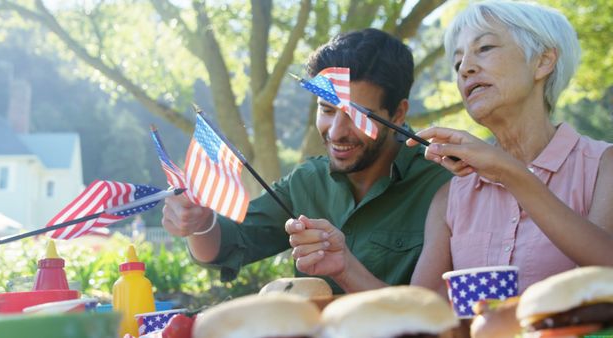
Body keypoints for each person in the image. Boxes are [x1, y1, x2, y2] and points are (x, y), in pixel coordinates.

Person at [162, 28, 452, 294]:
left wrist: (346, 269)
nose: (336, 132)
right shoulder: (307, 181)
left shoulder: (445, 182)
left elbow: (434, 314)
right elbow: (228, 244)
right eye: (326, 109)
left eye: (356, 116)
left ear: (398, 114)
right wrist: (199, 223)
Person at [408, 1, 613, 295]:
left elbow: (608, 271)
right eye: (457, 63)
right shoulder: (449, 198)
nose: (465, 68)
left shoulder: (604, 165)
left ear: (543, 61)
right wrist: (344, 267)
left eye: (485, 48)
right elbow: (422, 313)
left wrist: (508, 170)